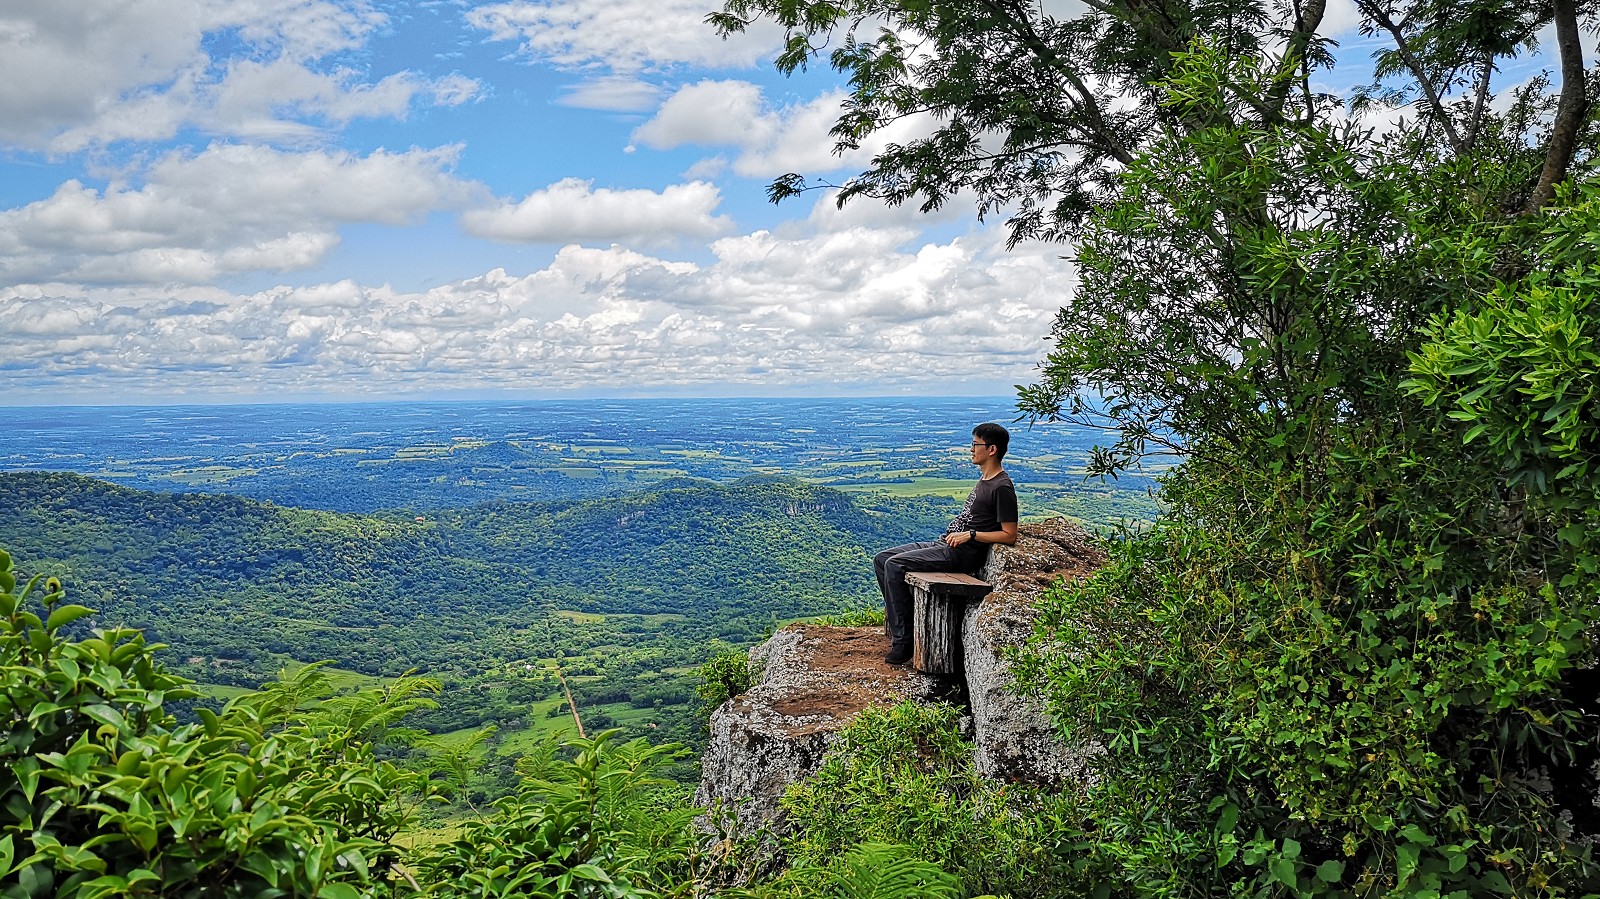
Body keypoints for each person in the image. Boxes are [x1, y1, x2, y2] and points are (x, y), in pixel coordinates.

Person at [874, 422, 1019, 665]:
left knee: (894, 565)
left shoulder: (1002, 487)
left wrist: (970, 535)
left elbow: (1009, 534)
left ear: (991, 449)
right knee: (882, 559)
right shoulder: (986, 480)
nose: (971, 449)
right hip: (946, 544)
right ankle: (903, 627)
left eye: (976, 444)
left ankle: (904, 642)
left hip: (962, 553)